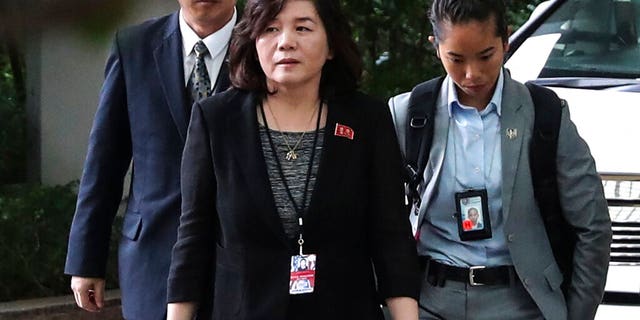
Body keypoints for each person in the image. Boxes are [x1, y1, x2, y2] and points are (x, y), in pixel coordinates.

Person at [166, 0, 420, 319]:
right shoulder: (216, 120)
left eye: (303, 27)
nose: (286, 41)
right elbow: (193, 238)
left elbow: (391, 235)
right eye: (271, 28)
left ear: (331, 45)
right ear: (253, 40)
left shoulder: (366, 119)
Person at [388, 1, 612, 319]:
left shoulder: (545, 114)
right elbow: (375, 222)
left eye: (485, 56)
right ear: (435, 47)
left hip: (522, 302)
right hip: (429, 301)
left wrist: (577, 313)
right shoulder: (407, 115)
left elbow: (593, 227)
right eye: (456, 58)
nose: (472, 74)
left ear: (506, 41)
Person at [64, 1, 237, 319]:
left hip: (239, 260)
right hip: (152, 255)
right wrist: (86, 258)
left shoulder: (264, 45)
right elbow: (105, 159)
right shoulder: (134, 46)